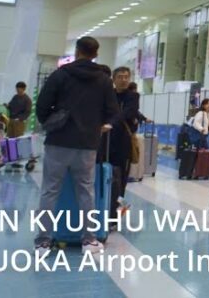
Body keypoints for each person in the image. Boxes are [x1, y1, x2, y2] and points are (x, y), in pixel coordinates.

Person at [33, 37, 120, 253]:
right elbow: (113, 111)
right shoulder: (103, 80)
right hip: (88, 144)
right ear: (96, 53)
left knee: (50, 191)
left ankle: (43, 241)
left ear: (77, 51)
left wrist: (51, 123)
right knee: (86, 191)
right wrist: (102, 125)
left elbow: (42, 106)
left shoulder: (60, 75)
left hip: (58, 142)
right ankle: (89, 240)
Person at [106, 66, 140, 219]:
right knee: (107, 177)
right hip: (106, 142)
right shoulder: (108, 95)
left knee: (121, 180)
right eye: (120, 77)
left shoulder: (133, 97)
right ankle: (105, 208)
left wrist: (111, 122)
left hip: (123, 143)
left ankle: (118, 213)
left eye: (127, 76)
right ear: (114, 79)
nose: (124, 80)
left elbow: (129, 113)